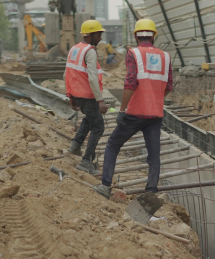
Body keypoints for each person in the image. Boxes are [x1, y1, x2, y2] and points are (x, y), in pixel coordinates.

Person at [94, 18, 172, 199]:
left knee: (113, 145)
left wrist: (122, 110)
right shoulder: (166, 56)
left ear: (136, 35)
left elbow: (130, 83)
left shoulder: (133, 54)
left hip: (135, 112)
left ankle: (105, 186)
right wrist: (155, 99)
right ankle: (151, 192)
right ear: (154, 36)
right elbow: (168, 86)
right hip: (155, 113)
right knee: (154, 154)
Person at [64, 19, 108, 175]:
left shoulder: (74, 49)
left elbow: (67, 73)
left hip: (78, 95)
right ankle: (86, 162)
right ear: (90, 35)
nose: (100, 38)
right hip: (88, 97)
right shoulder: (90, 51)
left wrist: (70, 95)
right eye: (98, 35)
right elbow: (92, 77)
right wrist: (100, 100)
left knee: (89, 120)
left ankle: (75, 146)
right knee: (98, 127)